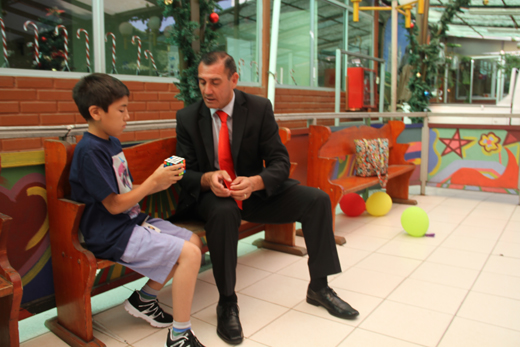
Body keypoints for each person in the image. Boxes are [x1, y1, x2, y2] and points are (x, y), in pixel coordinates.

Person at [172, 51, 359, 345]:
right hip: (213, 197)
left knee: (318, 200)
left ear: (234, 79)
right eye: (202, 82)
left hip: (252, 191)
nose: (207, 90)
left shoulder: (258, 108)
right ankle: (227, 302)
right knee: (223, 213)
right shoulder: (187, 117)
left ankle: (319, 288)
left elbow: (279, 162)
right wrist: (208, 178)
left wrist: (257, 182)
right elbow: (182, 171)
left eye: (215, 82)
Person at [69, 73, 205, 347]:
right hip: (110, 234)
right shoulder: (89, 152)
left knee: (193, 241)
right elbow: (114, 204)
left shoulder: (112, 143)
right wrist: (153, 182)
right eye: (122, 109)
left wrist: (161, 180)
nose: (127, 116)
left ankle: (144, 299)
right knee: (189, 254)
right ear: (96, 112)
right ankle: (179, 336)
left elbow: (124, 190)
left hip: (130, 222)